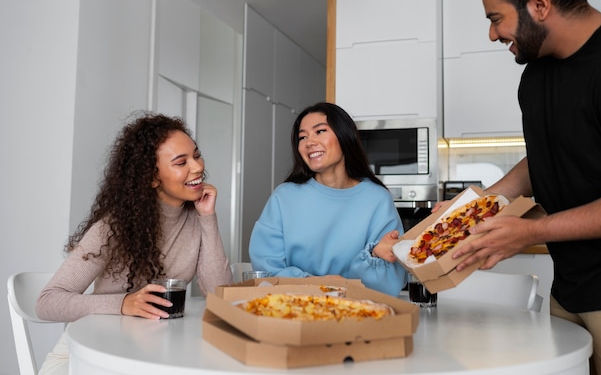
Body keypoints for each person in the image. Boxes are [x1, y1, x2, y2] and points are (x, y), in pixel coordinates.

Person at [444, 0, 601, 374]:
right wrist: (479, 205)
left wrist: (532, 231)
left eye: (496, 18)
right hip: (569, 286)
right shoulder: (536, 72)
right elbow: (548, 153)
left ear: (539, 4)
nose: (492, 33)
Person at [36, 112, 232, 375]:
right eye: (181, 162)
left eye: (196, 156)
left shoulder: (197, 216)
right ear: (152, 177)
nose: (197, 167)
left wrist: (208, 218)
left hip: (153, 354)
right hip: (89, 356)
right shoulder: (113, 227)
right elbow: (47, 302)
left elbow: (220, 294)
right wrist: (123, 303)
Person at [248, 102, 407, 296]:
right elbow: (266, 270)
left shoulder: (377, 199)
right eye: (302, 137)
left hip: (358, 315)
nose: (309, 142)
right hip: (294, 313)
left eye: (320, 131)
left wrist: (375, 254)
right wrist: (318, 284)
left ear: (344, 136)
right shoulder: (284, 197)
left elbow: (391, 283)